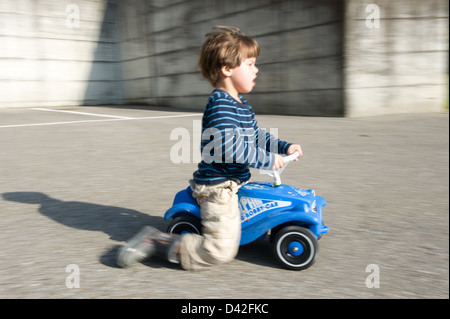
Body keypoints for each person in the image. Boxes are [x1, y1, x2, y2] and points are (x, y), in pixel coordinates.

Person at [116, 26, 303, 270]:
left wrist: (284, 147)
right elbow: (228, 146)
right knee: (221, 250)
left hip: (235, 182)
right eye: (250, 64)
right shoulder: (220, 105)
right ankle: (157, 241)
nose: (256, 69)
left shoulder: (240, 105)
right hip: (218, 188)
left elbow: (256, 134)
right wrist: (266, 160)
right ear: (227, 69)